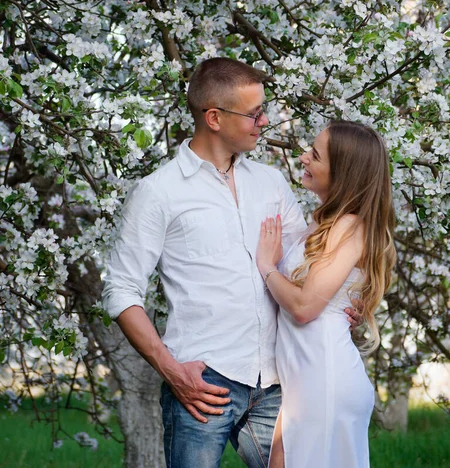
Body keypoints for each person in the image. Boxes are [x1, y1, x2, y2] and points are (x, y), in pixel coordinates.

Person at [102, 58, 362, 468]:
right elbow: (120, 290)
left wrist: (344, 299)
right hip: (203, 383)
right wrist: (172, 371)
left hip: (278, 382)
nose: (264, 121)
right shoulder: (158, 193)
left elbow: (307, 260)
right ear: (214, 118)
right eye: (254, 113)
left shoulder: (271, 182)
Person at [256, 121, 397, 468]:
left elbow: (304, 307)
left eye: (315, 155)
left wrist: (267, 266)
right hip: (307, 377)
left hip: (323, 376)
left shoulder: (348, 226)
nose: (303, 157)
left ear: (343, 173)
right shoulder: (325, 223)